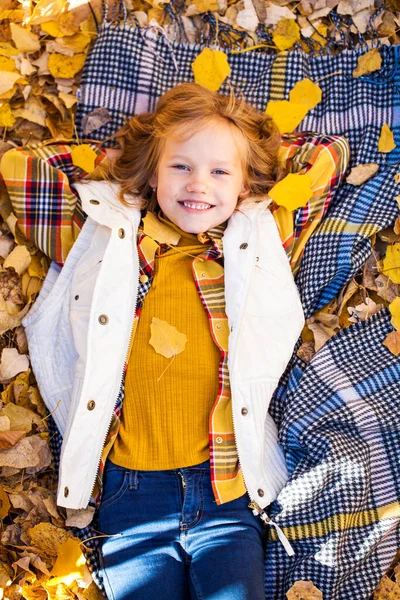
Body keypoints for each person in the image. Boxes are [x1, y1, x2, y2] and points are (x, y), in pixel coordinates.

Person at [0, 83, 349, 599]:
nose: (198, 185)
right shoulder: (101, 233)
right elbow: (17, 167)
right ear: (153, 172)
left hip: (226, 489)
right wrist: (133, 157)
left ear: (246, 185)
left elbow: (328, 155)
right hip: (131, 492)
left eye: (220, 171)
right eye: (180, 166)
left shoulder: (259, 237)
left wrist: (244, 150)